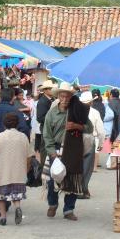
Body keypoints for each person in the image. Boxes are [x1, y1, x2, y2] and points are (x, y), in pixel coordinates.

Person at [43, 82, 93, 221]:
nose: (65, 99)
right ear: (58, 96)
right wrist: (52, 153)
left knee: (73, 180)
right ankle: (52, 204)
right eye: (62, 96)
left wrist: (77, 125)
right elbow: (47, 135)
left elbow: (89, 128)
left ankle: (68, 210)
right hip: (56, 150)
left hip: (73, 150)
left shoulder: (77, 110)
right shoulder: (51, 114)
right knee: (53, 180)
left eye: (67, 96)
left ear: (71, 97)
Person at [0, 114, 34, 226]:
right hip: (18, 173)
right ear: (17, 124)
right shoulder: (23, 137)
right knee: (15, 194)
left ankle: (3, 217)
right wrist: (27, 168)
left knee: (1, 196)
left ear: (4, 124)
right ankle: (17, 207)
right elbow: (29, 156)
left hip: (2, 173)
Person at [79, 91, 105, 198]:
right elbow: (101, 131)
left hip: (76, 138)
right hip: (89, 138)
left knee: (78, 165)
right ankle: (83, 189)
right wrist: (101, 142)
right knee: (87, 165)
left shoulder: (75, 111)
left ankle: (78, 188)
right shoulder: (94, 112)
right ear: (91, 102)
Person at [36, 80, 56, 165]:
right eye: (50, 89)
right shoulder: (42, 101)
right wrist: (52, 119)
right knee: (45, 149)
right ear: (45, 90)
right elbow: (40, 118)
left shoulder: (51, 99)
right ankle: (42, 168)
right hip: (45, 128)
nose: (52, 90)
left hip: (50, 128)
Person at [107, 89, 120, 169]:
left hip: (112, 128)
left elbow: (109, 116)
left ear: (111, 95)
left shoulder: (109, 103)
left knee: (112, 146)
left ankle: (113, 164)